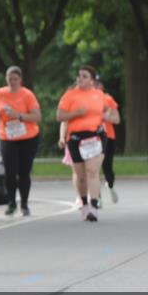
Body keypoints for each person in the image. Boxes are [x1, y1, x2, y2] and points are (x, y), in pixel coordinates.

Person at [56, 65, 116, 222]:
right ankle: (84, 204)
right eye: (79, 76)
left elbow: (114, 115)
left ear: (91, 80)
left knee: (92, 171)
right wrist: (76, 113)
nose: (80, 79)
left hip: (95, 136)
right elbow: (60, 116)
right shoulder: (70, 95)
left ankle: (94, 207)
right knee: (81, 175)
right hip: (76, 138)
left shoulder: (99, 95)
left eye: (84, 76)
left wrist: (108, 116)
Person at [0, 66, 41, 216]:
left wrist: (18, 115)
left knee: (24, 172)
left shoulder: (27, 95)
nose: (12, 82)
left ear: (20, 80)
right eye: (9, 79)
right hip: (7, 136)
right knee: (10, 171)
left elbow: (37, 117)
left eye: (15, 79)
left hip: (28, 137)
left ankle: (24, 204)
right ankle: (11, 203)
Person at [94, 78, 121, 204]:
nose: (95, 86)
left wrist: (106, 117)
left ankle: (110, 186)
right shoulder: (85, 100)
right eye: (93, 84)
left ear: (102, 86)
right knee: (94, 167)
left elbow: (117, 119)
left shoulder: (108, 99)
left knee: (107, 167)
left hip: (108, 136)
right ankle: (97, 197)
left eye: (97, 84)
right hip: (92, 137)